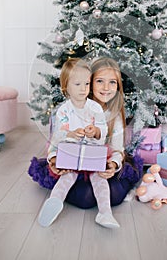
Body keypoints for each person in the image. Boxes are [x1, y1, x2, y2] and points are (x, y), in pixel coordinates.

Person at [28, 57, 143, 211]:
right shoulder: (73, 108)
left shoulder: (114, 114)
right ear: (90, 82)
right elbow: (56, 140)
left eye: (113, 82)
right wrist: (55, 160)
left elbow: (117, 148)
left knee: (114, 195)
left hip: (99, 165)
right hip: (75, 163)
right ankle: (57, 198)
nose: (106, 87)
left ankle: (103, 206)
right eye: (100, 81)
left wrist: (113, 165)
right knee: (85, 197)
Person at [38, 58, 120, 228]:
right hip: (71, 154)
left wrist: (95, 132)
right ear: (65, 87)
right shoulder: (63, 111)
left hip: (92, 153)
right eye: (77, 84)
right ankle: (54, 202)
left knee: (99, 178)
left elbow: (102, 130)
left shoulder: (95, 108)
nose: (83, 89)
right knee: (67, 176)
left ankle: (105, 214)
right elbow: (57, 137)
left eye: (87, 84)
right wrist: (70, 135)